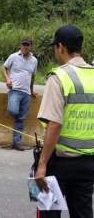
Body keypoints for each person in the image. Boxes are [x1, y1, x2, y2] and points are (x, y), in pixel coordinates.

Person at [35, 24, 94, 218]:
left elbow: (54, 124)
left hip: (59, 164)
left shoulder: (59, 76)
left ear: (60, 47)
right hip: (87, 164)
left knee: (49, 214)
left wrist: (42, 164)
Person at [2, 37, 38, 151]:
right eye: (23, 44)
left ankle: (16, 142)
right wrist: (7, 79)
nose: (25, 47)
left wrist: (31, 90)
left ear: (31, 46)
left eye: (27, 45)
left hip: (26, 93)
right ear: (21, 45)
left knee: (21, 118)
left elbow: (32, 77)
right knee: (13, 111)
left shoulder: (34, 60)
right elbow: (4, 68)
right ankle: (16, 141)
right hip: (15, 90)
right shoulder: (14, 57)